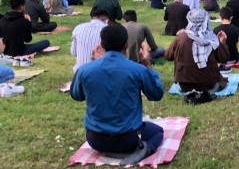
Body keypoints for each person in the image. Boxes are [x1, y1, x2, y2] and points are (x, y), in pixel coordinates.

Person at [71, 24, 165, 159]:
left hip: (95, 139)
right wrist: (148, 66)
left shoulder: (85, 70)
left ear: (102, 45)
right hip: (129, 139)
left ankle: (110, 151)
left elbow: (77, 96)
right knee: (158, 132)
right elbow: (156, 94)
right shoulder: (138, 70)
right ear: (126, 45)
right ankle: (145, 149)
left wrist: (95, 65)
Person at [164, 9, 230, 103]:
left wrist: (176, 39)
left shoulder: (180, 38)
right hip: (208, 82)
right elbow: (224, 59)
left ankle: (190, 93)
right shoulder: (212, 38)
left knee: (183, 85)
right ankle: (208, 92)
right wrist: (223, 43)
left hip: (185, 82)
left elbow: (168, 56)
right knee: (221, 81)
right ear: (206, 20)